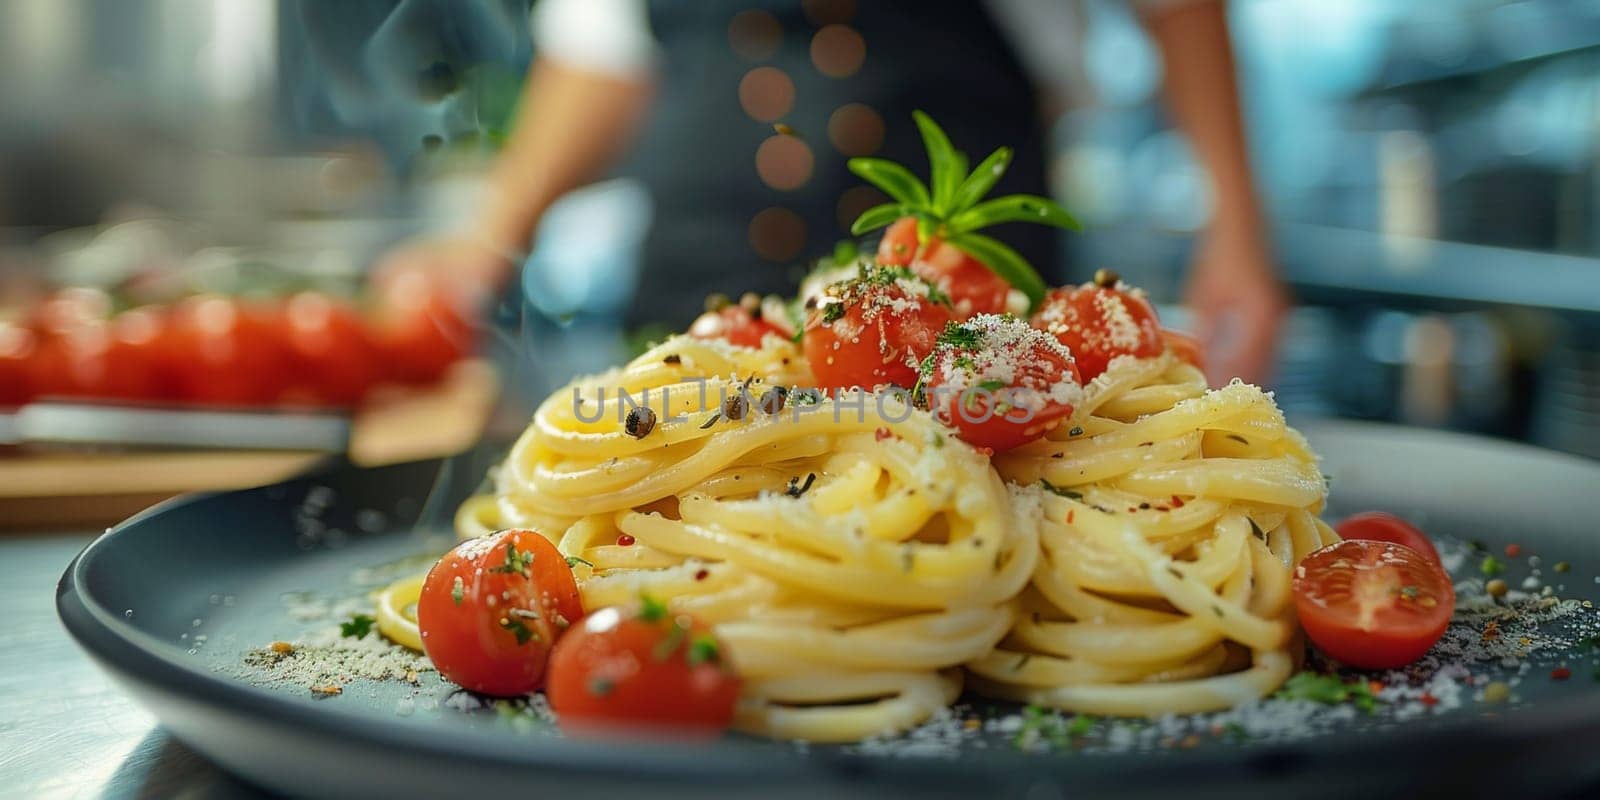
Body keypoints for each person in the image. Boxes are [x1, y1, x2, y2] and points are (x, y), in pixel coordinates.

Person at [377, 0, 1287, 385]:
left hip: (960, 310)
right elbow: (602, 50)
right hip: (691, 303)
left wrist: (1237, 234)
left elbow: (1177, 8)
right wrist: (487, 241)